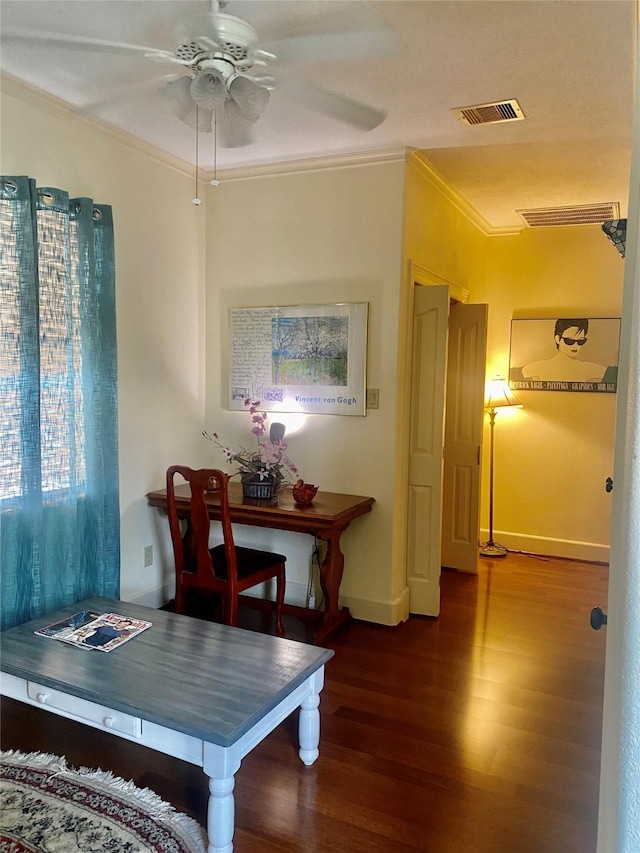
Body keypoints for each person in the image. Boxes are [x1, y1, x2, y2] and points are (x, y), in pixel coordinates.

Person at [522, 319, 607, 382]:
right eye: (569, 341)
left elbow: (614, 374)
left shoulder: (586, 368)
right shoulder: (540, 367)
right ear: (558, 339)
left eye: (581, 341)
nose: (576, 345)